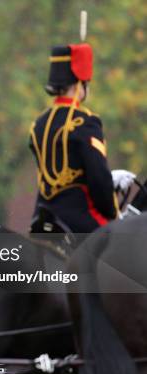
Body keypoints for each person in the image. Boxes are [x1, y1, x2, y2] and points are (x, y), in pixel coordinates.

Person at [29, 43, 133, 236]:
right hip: (79, 223)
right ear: (79, 84)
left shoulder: (39, 124)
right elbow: (98, 180)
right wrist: (112, 209)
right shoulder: (85, 123)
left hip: (41, 222)